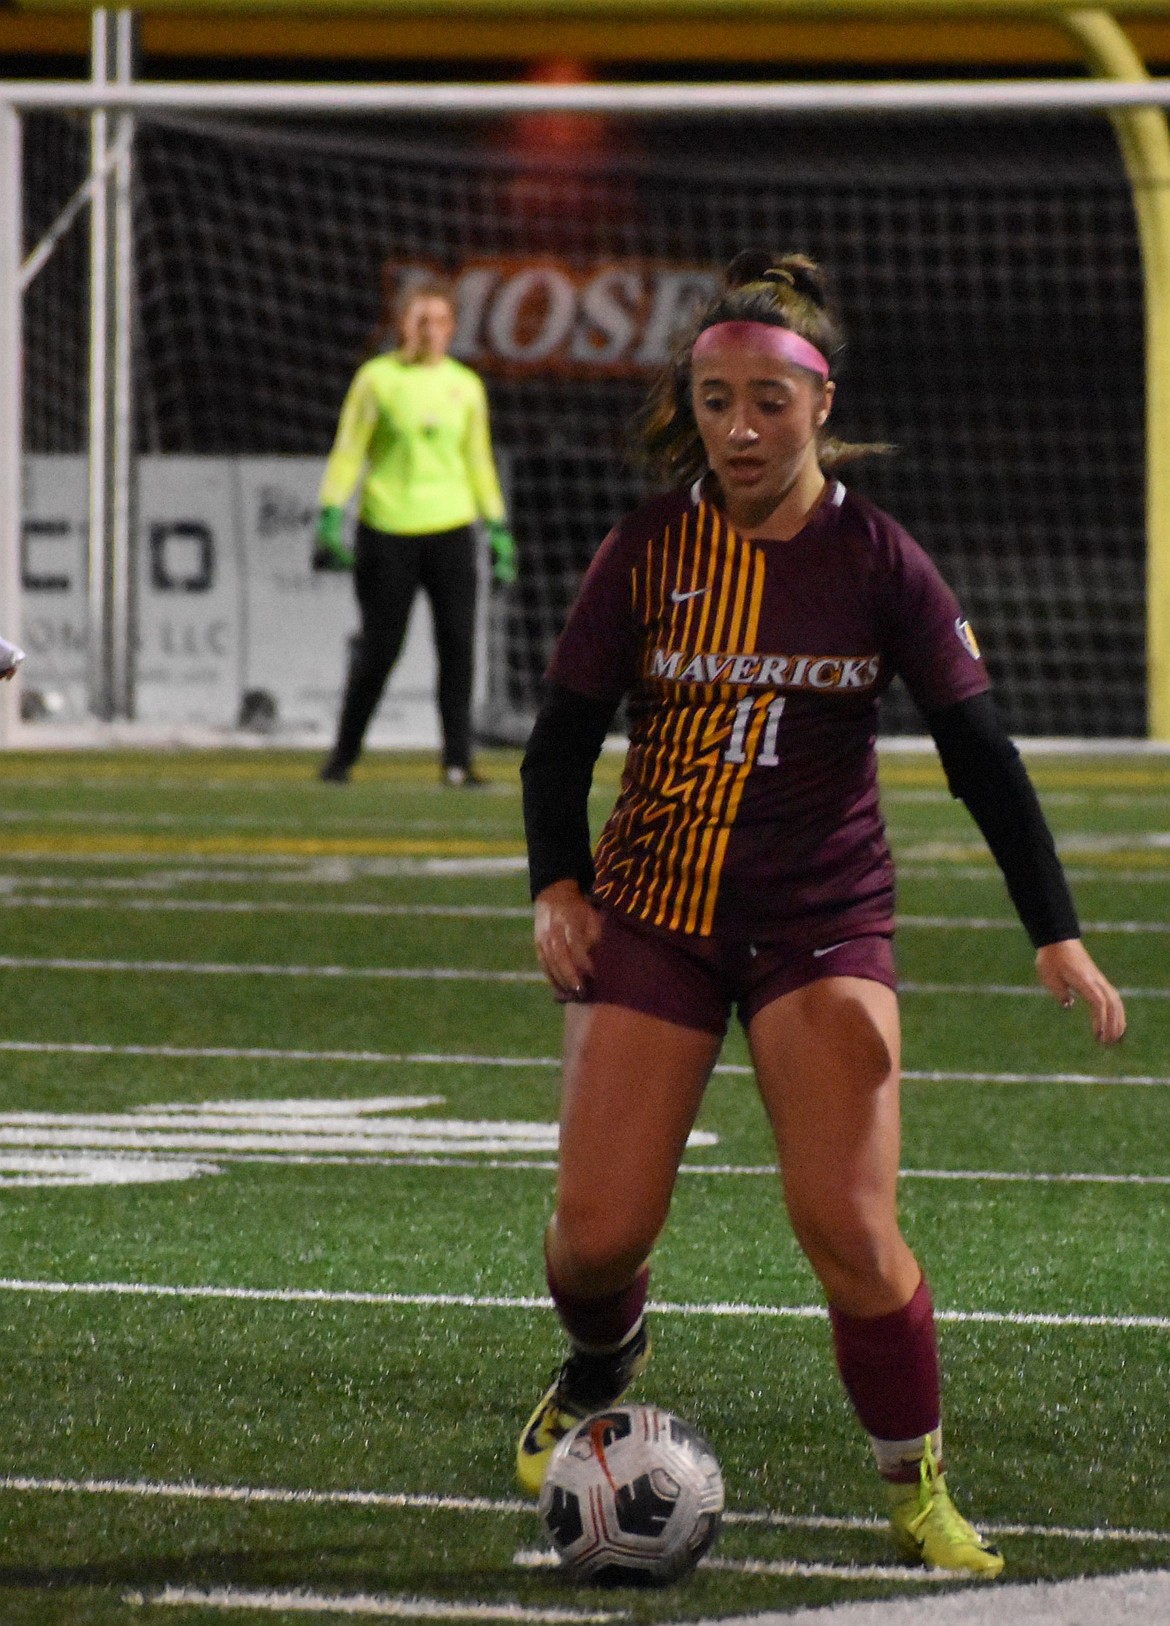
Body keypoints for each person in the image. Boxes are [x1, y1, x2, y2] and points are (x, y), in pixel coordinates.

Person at [516, 251, 1127, 1577]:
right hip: (658, 915)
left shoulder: (876, 558)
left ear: (820, 404)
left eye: (769, 404)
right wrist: (556, 885)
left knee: (850, 1230)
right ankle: (603, 1357)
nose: (740, 430)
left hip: (822, 926)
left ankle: (917, 1489)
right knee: (596, 1238)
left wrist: (1055, 928)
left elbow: (980, 754)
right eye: (716, 402)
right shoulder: (646, 549)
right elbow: (558, 743)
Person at [314, 278, 517, 786]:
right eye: (421, 320)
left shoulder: (465, 386)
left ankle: (457, 762)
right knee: (381, 647)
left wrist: (496, 526)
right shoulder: (377, 379)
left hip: (451, 528)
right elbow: (349, 449)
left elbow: (477, 460)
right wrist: (331, 512)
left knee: (458, 647)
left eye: (440, 321)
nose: (431, 330)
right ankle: (343, 755)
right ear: (402, 324)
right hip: (387, 527)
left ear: (453, 327)